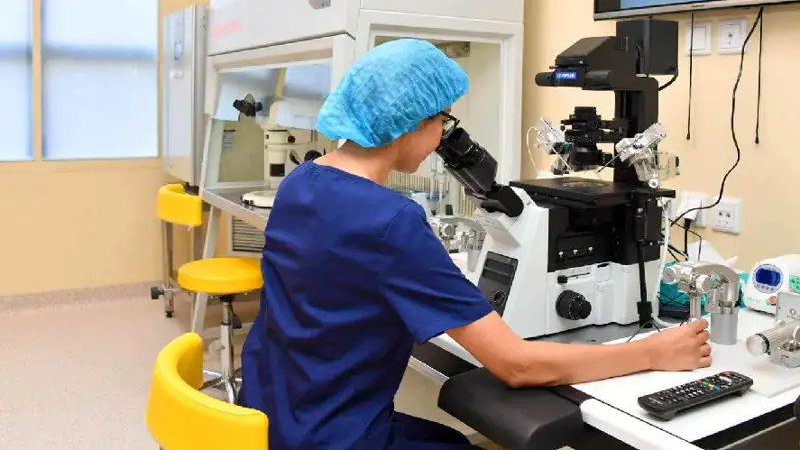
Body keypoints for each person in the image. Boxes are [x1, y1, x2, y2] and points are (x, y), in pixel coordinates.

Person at [239, 38, 712, 450]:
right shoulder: (390, 221)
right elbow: (517, 365)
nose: (441, 139)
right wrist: (653, 352)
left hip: (268, 417)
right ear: (411, 121)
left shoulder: (301, 182)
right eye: (443, 122)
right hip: (334, 438)